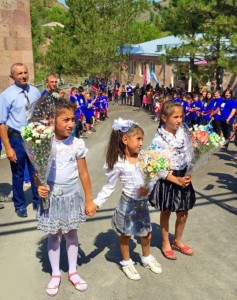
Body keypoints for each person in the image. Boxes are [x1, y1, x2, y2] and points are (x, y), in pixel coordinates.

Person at [36, 99, 96, 296]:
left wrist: (89, 199)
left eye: (73, 119)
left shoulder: (77, 144)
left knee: (71, 234)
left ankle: (72, 271)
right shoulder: (43, 143)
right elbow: (38, 172)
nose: (71, 123)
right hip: (53, 197)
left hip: (72, 196)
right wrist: (39, 186)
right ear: (52, 119)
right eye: (65, 119)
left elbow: (84, 174)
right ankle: (55, 274)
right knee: (54, 235)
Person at [93, 118, 162, 281]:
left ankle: (146, 258)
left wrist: (149, 188)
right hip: (128, 205)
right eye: (138, 139)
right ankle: (126, 262)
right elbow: (109, 186)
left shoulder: (144, 157)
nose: (141, 143)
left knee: (147, 234)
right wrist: (97, 202)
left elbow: (152, 178)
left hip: (142, 204)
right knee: (126, 235)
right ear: (125, 139)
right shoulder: (118, 162)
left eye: (142, 139)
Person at [149, 101, 196, 260]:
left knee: (183, 211)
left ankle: (177, 240)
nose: (179, 120)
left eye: (181, 116)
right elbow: (156, 166)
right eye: (175, 117)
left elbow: (189, 153)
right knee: (166, 210)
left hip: (183, 175)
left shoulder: (183, 132)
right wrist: (176, 180)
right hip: (169, 177)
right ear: (164, 117)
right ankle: (165, 242)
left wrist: (189, 170)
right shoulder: (159, 139)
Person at [0, 63, 41, 217]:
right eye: (19, 73)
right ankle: (20, 205)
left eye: (25, 72)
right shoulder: (6, 96)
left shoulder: (35, 91)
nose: (24, 75)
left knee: (35, 171)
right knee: (17, 174)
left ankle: (38, 202)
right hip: (16, 138)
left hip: (34, 137)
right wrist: (8, 147)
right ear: (12, 77)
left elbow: (40, 114)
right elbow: (1, 123)